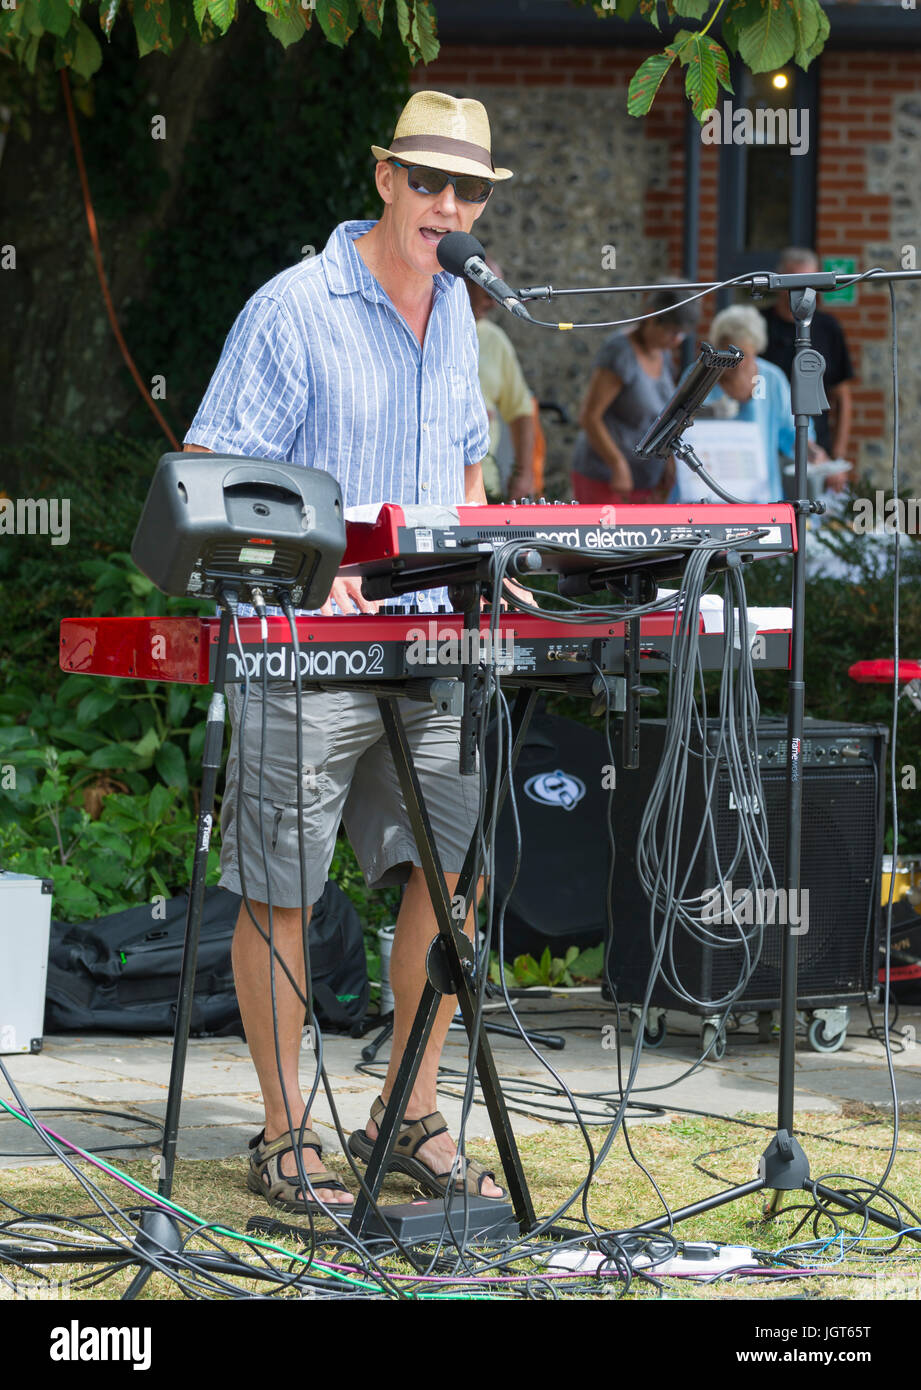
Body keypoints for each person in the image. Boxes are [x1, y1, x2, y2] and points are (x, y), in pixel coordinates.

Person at [183, 91, 511, 1214]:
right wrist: (328, 566)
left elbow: (468, 473)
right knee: (281, 888)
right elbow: (210, 477)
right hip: (304, 645)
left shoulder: (463, 309)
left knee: (450, 875)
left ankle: (407, 1112)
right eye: (430, 182)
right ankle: (285, 1137)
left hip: (433, 645)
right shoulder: (293, 308)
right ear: (385, 179)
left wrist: (489, 550)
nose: (449, 205)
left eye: (467, 189)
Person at [669, 304, 847, 502]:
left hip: (758, 498)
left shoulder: (771, 380)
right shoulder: (698, 376)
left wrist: (819, 458)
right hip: (702, 494)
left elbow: (795, 433)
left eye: (742, 355)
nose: (736, 363)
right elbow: (673, 430)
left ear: (756, 349)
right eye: (728, 354)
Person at [570, 288, 700, 504]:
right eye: (671, 331)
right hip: (607, 476)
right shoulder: (620, 352)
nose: (677, 340)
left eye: (681, 334)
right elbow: (590, 417)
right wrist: (617, 464)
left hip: (645, 480)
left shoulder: (663, 353)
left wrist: (668, 461)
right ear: (651, 316)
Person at [760, 246, 855, 465]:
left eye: (810, 283)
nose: (803, 290)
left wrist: (837, 457)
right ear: (779, 281)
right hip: (767, 447)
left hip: (817, 452)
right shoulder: (759, 324)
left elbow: (842, 395)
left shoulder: (827, 327)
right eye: (795, 282)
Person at [465, 253, 536, 501]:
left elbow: (521, 411)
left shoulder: (495, 340)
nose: (493, 302)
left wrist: (524, 473)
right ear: (463, 284)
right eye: (487, 290)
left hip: (485, 484)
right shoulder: (428, 327)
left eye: (497, 292)